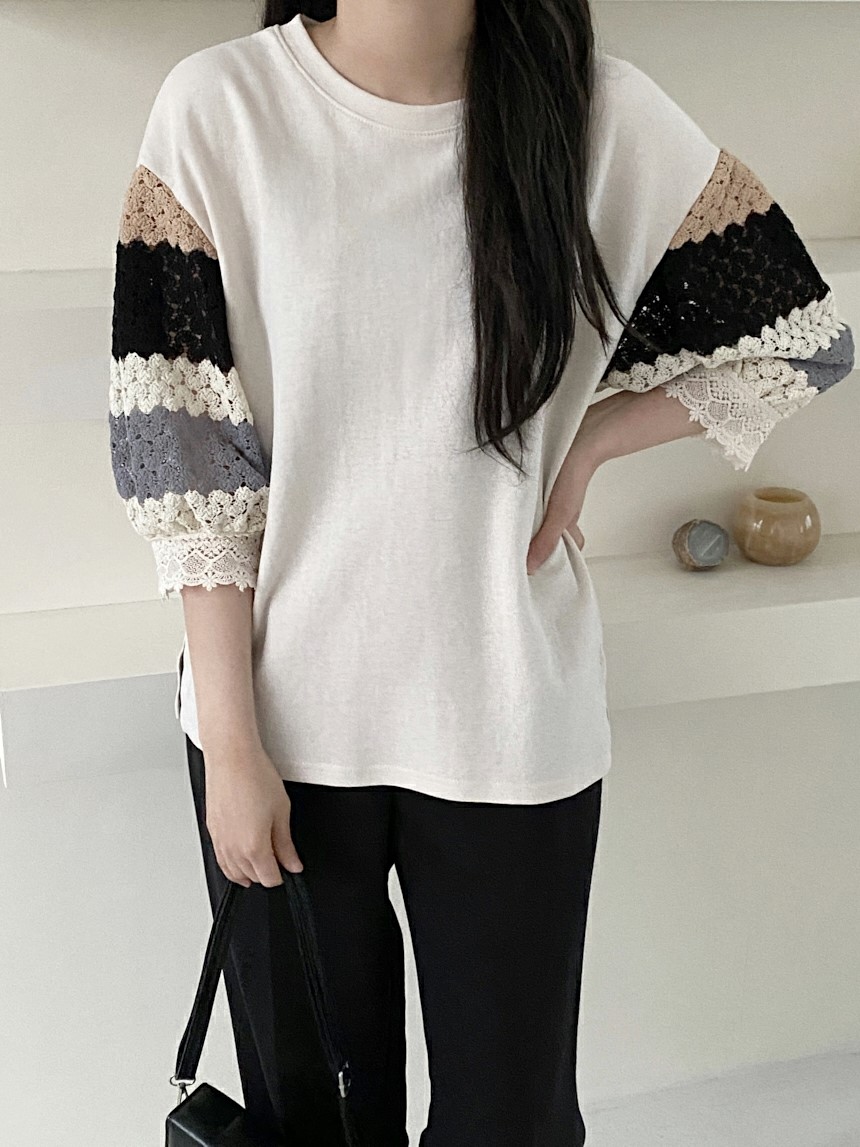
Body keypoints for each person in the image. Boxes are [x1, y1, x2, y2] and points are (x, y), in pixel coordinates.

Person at [107, 1, 855, 1143]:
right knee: (309, 1125)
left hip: (507, 719)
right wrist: (232, 737)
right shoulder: (221, 110)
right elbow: (184, 447)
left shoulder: (598, 116)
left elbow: (801, 337)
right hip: (277, 724)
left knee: (512, 1123)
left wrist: (586, 442)